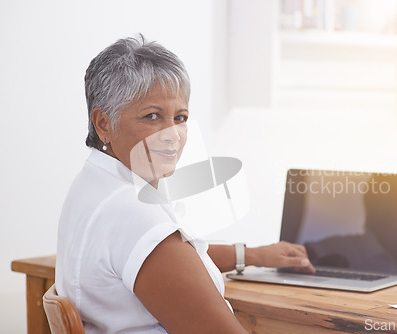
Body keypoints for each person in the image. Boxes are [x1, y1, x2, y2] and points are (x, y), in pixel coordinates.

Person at [55, 35, 315, 333]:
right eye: (152, 116)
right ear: (103, 124)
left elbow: (169, 261)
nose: (172, 134)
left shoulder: (96, 185)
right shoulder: (133, 215)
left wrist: (251, 255)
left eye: (180, 118)